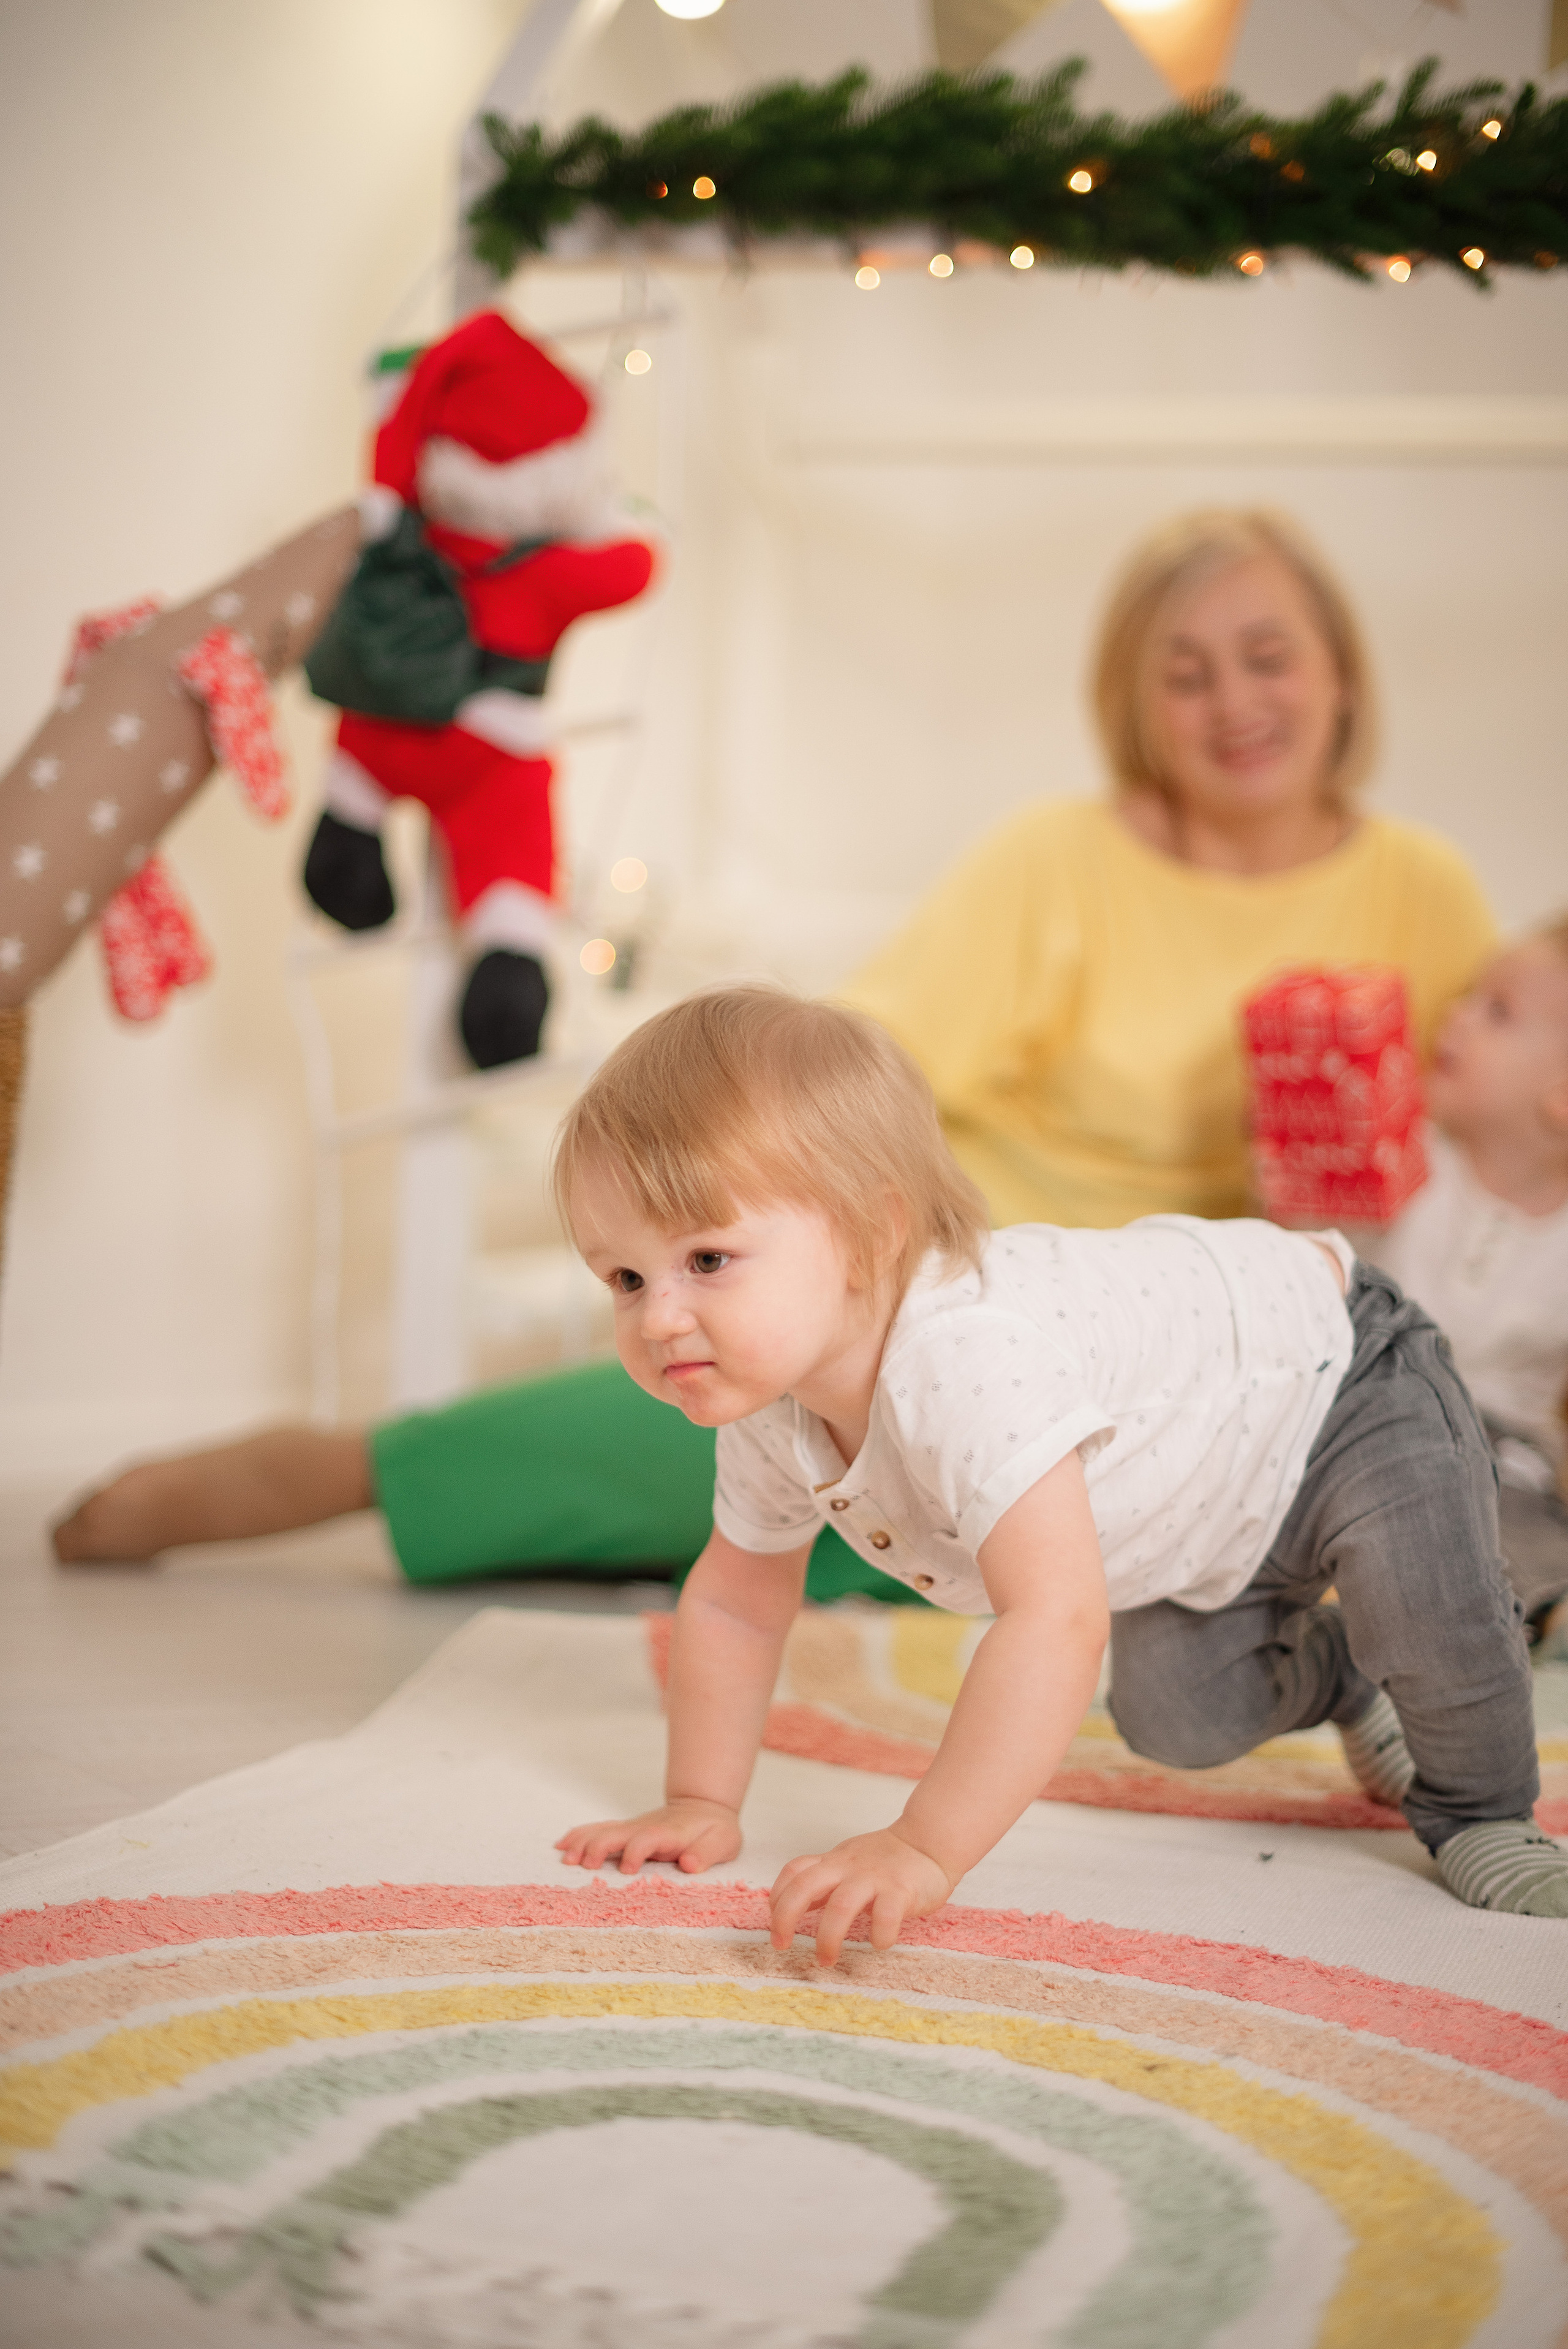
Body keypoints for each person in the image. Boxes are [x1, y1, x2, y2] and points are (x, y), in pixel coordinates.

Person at [53, 507, 1499, 1585]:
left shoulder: (1420, 889)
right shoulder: (1054, 859)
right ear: (1135, 700)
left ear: (1340, 681)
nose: (1232, 701)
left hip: (1193, 1336)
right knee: (742, 1425)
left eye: (1266, 658)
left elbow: (1487, 1140)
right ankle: (355, 1466)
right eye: (1184, 672)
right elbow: (859, 1066)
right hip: (971, 1271)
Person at [551, 986, 1567, 1953]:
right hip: (1201, 1487)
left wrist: (921, 1844)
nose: (660, 1317)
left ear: (871, 1234)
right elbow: (735, 1601)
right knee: (1182, 1717)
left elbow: (1053, 1617)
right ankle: (1349, 1670)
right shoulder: (770, 1403)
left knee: (1430, 1609)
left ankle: (1481, 1808)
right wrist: (702, 1798)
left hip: (1338, 1369)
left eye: (709, 1260)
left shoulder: (964, 1357)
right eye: (626, 1277)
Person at [1358, 917, 1568, 1651]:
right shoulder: (1405, 1160)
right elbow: (1304, 1267)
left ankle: (1534, 1609)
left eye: (1497, 1011)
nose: (1456, 1016)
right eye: (1469, 997)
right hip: (1369, 1422)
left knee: (1514, 1518)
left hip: (1498, 1457)